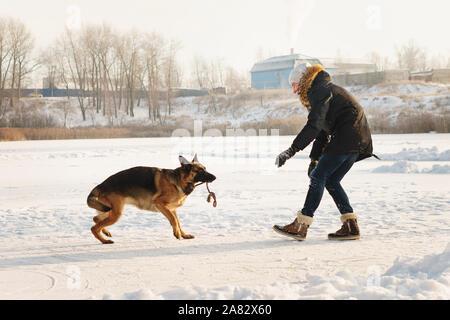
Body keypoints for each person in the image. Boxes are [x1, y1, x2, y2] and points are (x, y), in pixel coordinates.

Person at [273, 63, 378, 241]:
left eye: (294, 85)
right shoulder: (322, 90)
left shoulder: (319, 91)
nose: (294, 91)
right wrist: (314, 159)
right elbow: (322, 131)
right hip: (357, 139)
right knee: (330, 180)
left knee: (318, 177)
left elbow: (314, 125)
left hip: (347, 137)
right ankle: (350, 225)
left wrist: (291, 150)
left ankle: (301, 225)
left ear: (302, 81)